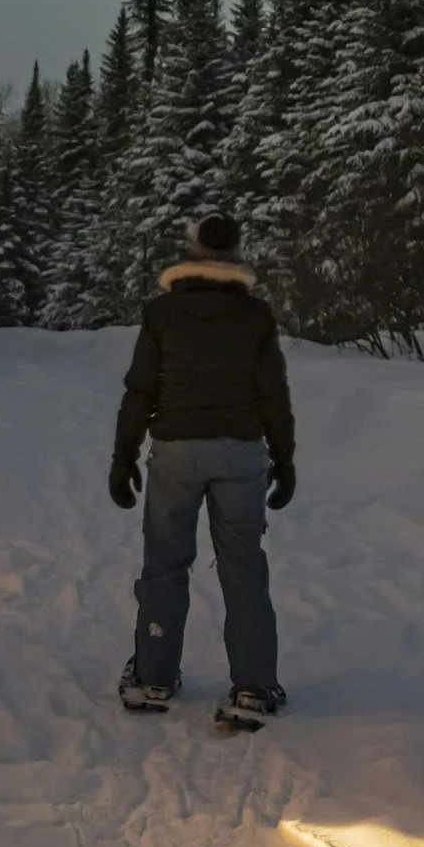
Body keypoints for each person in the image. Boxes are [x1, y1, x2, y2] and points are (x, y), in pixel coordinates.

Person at [109, 211, 297, 731]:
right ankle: (254, 689)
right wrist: (285, 457)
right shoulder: (255, 317)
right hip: (241, 453)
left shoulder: (161, 313)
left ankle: (152, 677)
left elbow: (140, 390)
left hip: (175, 452)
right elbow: (272, 394)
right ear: (236, 254)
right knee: (243, 566)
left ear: (190, 252)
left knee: (165, 565)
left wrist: (122, 456)